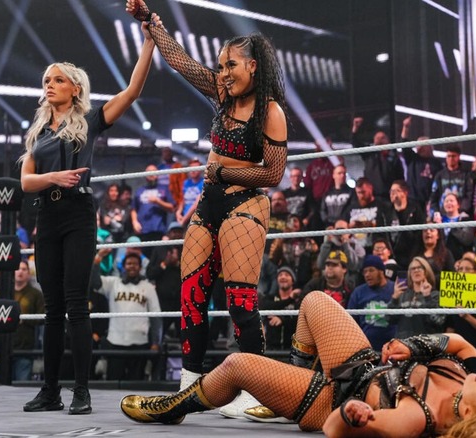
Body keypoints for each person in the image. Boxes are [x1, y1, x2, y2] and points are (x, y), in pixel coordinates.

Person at [126, 0, 289, 419]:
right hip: (208, 203)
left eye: (231, 64)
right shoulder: (221, 92)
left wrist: (220, 172)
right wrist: (151, 21)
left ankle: (257, 390)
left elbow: (273, 173)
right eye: (221, 65)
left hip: (245, 204)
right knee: (192, 294)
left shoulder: (270, 111)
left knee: (239, 300)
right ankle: (187, 388)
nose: (223, 73)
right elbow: (180, 62)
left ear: (253, 66)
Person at [120, 291, 476, 437]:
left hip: (329, 397)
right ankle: (279, 398)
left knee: (238, 365)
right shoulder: (465, 373)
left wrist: (356, 416)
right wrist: (414, 347)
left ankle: (176, 405)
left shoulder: (416, 417)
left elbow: (335, 429)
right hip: (363, 363)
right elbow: (457, 339)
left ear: (467, 415)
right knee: (314, 301)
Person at [18, 23, 155, 414]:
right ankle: (49, 391)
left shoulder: (90, 120)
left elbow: (132, 92)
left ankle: (81, 391)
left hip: (78, 214)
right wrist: (52, 178)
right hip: (48, 216)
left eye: (58, 80)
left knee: (77, 304)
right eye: (47, 80)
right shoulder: (39, 132)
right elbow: (26, 181)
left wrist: (147, 43)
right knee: (52, 308)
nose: (49, 85)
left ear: (74, 88)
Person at [96, 252, 162, 381]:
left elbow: (156, 316)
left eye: (135, 264)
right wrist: (98, 259)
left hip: (139, 343)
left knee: (136, 386)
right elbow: (94, 282)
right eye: (129, 263)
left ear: (140, 267)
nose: (132, 266)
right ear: (123, 266)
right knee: (113, 383)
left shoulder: (148, 287)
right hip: (116, 341)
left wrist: (155, 342)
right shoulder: (113, 283)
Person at [444, 258, 476, 355]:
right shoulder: (452, 295)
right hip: (458, 349)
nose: (463, 272)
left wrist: (467, 316)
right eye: (461, 269)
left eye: (467, 269)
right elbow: (450, 327)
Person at [346, 255, 396, 351]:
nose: (367, 275)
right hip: (366, 346)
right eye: (365, 272)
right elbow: (350, 321)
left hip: (393, 345)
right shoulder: (358, 292)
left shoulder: (395, 289)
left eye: (371, 270)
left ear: (381, 271)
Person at [388, 256, 445, 338]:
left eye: (420, 268)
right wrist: (394, 298)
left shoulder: (436, 295)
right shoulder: (402, 295)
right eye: (413, 268)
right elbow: (389, 320)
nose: (416, 270)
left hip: (425, 344)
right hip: (403, 343)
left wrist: (427, 297)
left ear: (426, 271)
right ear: (409, 273)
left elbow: (438, 321)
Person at [11, 261, 45, 381]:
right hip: (5, 344)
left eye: (24, 269)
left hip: (26, 345)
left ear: (29, 274)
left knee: (22, 386)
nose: (20, 272)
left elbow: (42, 317)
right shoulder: (3, 291)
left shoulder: (36, 294)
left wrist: (24, 319)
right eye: (18, 268)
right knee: (1, 385)